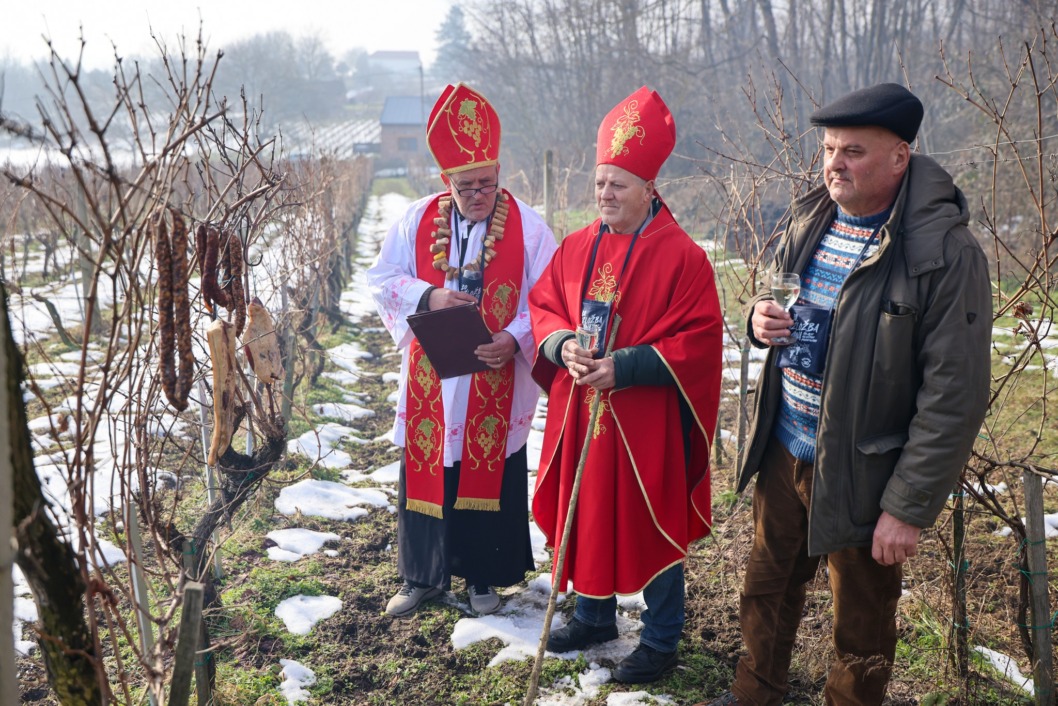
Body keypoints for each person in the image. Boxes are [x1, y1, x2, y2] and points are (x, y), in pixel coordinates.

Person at [700, 83, 991, 706]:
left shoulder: (943, 251)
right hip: (786, 445)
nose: (835, 163)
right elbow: (775, 296)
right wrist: (759, 318)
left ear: (900, 156)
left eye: (853, 151)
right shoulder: (811, 217)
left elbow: (954, 394)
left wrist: (907, 506)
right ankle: (755, 695)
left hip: (866, 469)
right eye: (830, 148)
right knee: (766, 589)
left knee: (861, 622)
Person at [529, 86, 723, 684]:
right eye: (600, 182)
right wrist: (563, 345)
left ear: (648, 187)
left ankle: (661, 639)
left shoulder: (684, 257)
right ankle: (594, 616)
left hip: (643, 421)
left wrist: (628, 365)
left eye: (618, 184)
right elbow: (544, 306)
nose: (605, 194)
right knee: (586, 506)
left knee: (649, 516)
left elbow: (699, 340)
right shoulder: (576, 246)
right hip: (580, 408)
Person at [367, 83, 557, 618]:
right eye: (467, 185)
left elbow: (549, 299)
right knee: (429, 465)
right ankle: (422, 577)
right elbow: (381, 278)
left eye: (488, 183)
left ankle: (482, 576)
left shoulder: (529, 229)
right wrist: (428, 295)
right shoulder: (415, 220)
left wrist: (514, 338)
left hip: (495, 374)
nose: (479, 194)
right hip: (432, 376)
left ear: (499, 173)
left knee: (488, 467)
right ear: (445, 181)